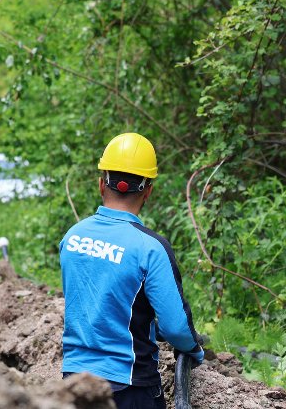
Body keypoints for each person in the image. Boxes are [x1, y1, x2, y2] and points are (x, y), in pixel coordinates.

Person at [59, 132, 204, 409]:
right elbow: (175, 327)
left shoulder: (72, 237)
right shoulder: (150, 248)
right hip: (130, 387)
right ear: (148, 190)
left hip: (74, 383)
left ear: (101, 184)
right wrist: (194, 349)